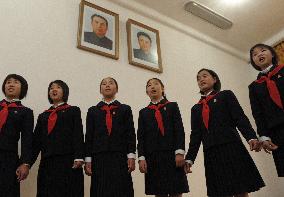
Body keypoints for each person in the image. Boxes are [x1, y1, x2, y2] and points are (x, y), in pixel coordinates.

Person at [185, 68, 265, 197]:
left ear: (214, 79)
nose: (201, 79)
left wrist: (251, 137)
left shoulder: (225, 95)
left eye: (204, 76)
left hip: (231, 147)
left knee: (240, 188)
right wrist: (189, 159)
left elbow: (239, 117)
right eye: (198, 78)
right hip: (211, 152)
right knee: (221, 191)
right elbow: (195, 136)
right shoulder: (196, 109)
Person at [31, 80, 84, 197]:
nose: (54, 90)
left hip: (68, 162)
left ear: (64, 91)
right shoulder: (43, 116)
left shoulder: (73, 110)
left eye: (58, 87)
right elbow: (36, 142)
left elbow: (78, 134)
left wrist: (79, 156)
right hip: (47, 163)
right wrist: (26, 163)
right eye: (51, 88)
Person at [137, 78, 189, 197]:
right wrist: (141, 158)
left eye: (156, 84)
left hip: (173, 156)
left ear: (162, 88)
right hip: (153, 158)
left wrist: (180, 152)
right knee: (159, 192)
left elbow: (179, 130)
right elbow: (141, 137)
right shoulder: (143, 112)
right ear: (147, 92)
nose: (153, 87)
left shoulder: (172, 106)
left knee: (176, 191)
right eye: (149, 85)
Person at [85, 77, 136, 197]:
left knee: (121, 189)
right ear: (100, 90)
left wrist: (131, 156)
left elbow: (130, 133)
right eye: (104, 84)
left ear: (116, 89)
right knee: (100, 190)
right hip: (99, 157)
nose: (107, 85)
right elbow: (89, 136)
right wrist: (88, 159)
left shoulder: (125, 109)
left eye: (111, 83)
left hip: (120, 156)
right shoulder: (93, 111)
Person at [249, 43, 284, 177]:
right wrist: (264, 136)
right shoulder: (254, 87)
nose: (259, 54)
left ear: (273, 53)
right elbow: (258, 114)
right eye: (255, 54)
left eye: (263, 50)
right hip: (276, 132)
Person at [0, 74, 34, 197]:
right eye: (8, 82)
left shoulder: (25, 112)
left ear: (23, 88)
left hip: (8, 158)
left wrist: (25, 163)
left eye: (15, 82)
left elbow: (27, 139)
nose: (11, 84)